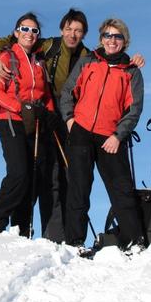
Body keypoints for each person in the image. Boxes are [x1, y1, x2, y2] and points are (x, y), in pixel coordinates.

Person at [0, 9, 145, 242]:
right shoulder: (56, 49)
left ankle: (124, 240)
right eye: (69, 29)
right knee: (37, 176)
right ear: (62, 30)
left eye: (79, 30)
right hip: (56, 122)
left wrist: (116, 133)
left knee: (81, 182)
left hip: (71, 124)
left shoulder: (106, 62)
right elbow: (8, 42)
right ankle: (30, 231)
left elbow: (133, 108)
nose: (73, 34)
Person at [60, 18, 145, 253]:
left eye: (117, 36)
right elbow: (68, 91)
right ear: (101, 39)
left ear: (124, 41)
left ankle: (133, 241)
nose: (112, 40)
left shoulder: (131, 71)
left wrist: (118, 135)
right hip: (81, 133)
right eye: (108, 35)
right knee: (78, 188)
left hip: (111, 138)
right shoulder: (88, 62)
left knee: (121, 189)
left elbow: (134, 108)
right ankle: (74, 241)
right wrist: (69, 119)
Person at [0, 12, 58, 237]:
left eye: (34, 30)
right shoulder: (7, 57)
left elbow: (45, 94)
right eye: (24, 29)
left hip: (35, 124)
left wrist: (49, 115)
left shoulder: (39, 61)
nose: (29, 34)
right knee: (19, 174)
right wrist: (21, 108)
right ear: (16, 32)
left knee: (33, 178)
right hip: (10, 121)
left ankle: (21, 227)